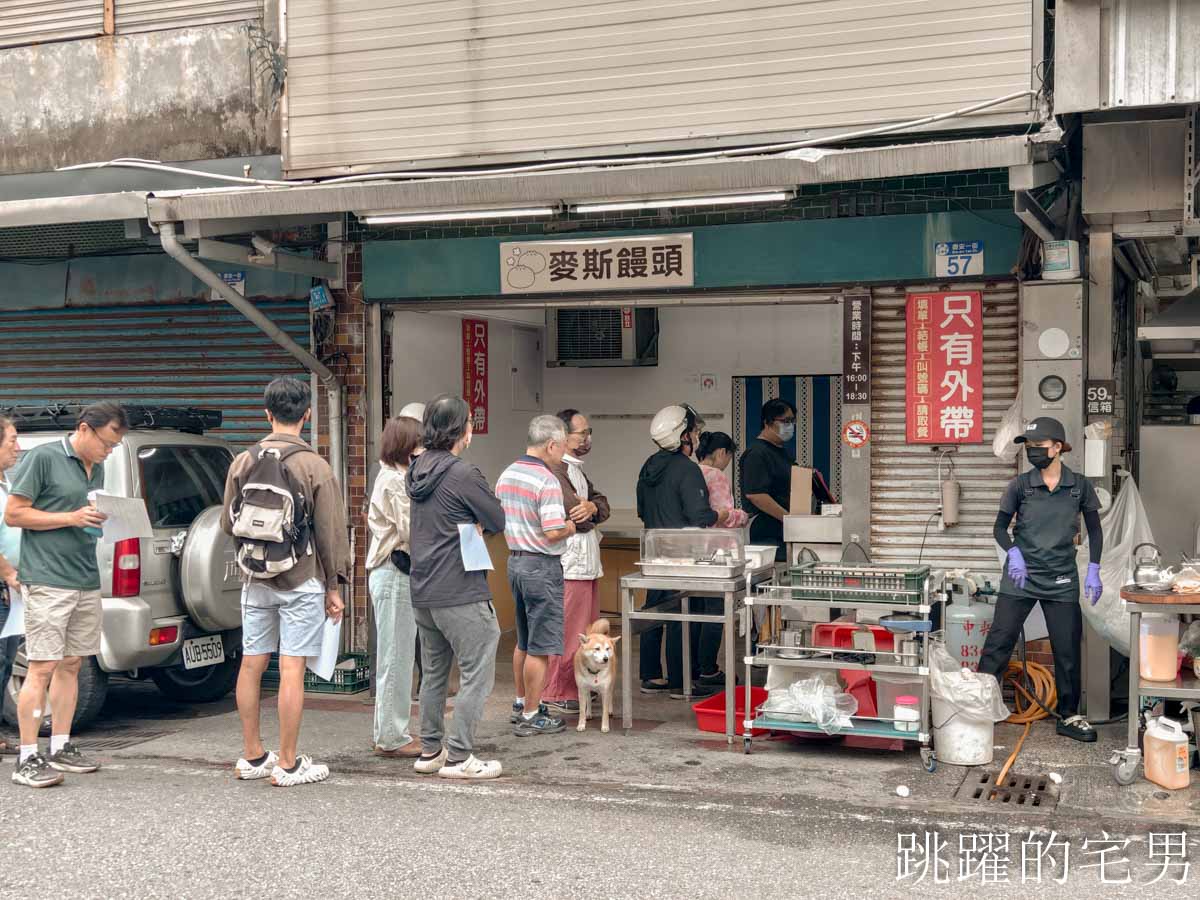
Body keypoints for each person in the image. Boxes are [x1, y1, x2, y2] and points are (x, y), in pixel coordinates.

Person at [221, 376, 351, 787]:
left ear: (267, 413)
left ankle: (252, 755)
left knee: (253, 662)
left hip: (255, 579)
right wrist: (334, 586)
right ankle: (290, 763)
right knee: (292, 666)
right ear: (307, 414)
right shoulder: (315, 465)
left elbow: (229, 522)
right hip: (301, 578)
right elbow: (331, 533)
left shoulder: (243, 461)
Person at [6, 401, 129, 788]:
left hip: (84, 577)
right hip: (47, 579)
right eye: (108, 441)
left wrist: (100, 519)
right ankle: (27, 757)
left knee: (72, 663)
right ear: (85, 429)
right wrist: (70, 518)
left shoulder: (99, 466)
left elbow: (84, 515)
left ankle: (61, 744)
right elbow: (15, 514)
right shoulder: (43, 459)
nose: (110, 450)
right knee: (41, 665)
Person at [978, 417, 1104, 744]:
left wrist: (1093, 568)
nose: (1033, 452)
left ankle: (1069, 715)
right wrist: (1013, 554)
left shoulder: (1079, 486)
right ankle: (979, 709)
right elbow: (998, 529)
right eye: (1029, 448)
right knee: (999, 642)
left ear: (1058, 447)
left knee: (1066, 650)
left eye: (1038, 447)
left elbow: (1095, 529)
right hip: (1021, 577)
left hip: (1061, 578)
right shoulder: (1020, 485)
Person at [407, 395, 506, 779]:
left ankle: (430, 750)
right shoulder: (463, 474)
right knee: (476, 668)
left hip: (424, 587)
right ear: (461, 430)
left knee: (433, 673)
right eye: (469, 423)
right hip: (459, 587)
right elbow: (496, 517)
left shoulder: (415, 470)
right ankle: (459, 756)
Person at [636, 405, 727, 699]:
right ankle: (680, 680)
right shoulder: (687, 469)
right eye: (695, 431)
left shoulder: (648, 465)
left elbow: (642, 510)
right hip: (683, 556)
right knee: (682, 613)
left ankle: (650, 676)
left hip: (653, 553)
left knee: (654, 613)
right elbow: (700, 516)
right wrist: (722, 516)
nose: (698, 436)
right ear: (683, 435)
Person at [497, 416, 576, 736]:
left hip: (515, 563)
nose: (563, 454)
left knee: (524, 640)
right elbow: (554, 530)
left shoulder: (508, 473)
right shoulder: (546, 480)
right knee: (541, 646)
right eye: (563, 447)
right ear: (552, 445)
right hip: (541, 566)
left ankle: (521, 702)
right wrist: (573, 524)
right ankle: (532, 714)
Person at [542, 409, 610, 716]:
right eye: (581, 433)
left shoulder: (577, 471)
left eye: (588, 431)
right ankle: (558, 690)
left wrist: (592, 507)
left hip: (584, 564)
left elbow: (601, 505)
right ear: (561, 437)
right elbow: (576, 518)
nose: (587, 438)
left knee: (585, 630)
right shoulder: (555, 472)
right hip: (569, 564)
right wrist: (588, 511)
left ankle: (575, 687)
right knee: (569, 631)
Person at [365, 415, 422, 758]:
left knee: (395, 655)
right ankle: (392, 737)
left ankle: (388, 730)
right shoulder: (394, 482)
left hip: (391, 574)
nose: (422, 450)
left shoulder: (394, 476)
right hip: (394, 572)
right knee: (396, 657)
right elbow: (412, 531)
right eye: (417, 443)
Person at [692, 431, 749, 687]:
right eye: (728, 456)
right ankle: (709, 670)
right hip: (717, 552)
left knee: (696, 612)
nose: (727, 462)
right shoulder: (716, 475)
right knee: (716, 612)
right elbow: (723, 515)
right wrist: (742, 516)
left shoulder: (691, 472)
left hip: (692, 551)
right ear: (721, 453)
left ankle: (693, 668)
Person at [0, 417, 23, 756]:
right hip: (5, 583)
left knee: (5, 661)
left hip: (12, 589)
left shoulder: (6, 483)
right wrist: (7, 573)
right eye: (12, 441)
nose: (18, 448)